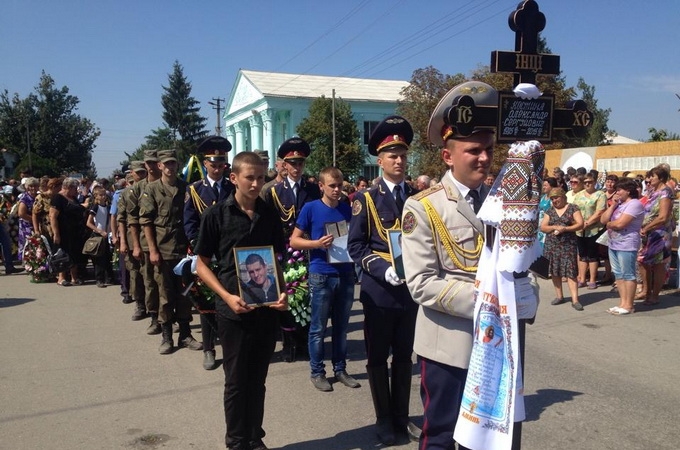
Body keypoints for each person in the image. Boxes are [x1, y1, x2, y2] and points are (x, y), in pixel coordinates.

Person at [399, 81, 501, 450]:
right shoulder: (424, 207)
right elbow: (422, 283)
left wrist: (523, 294)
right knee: (441, 435)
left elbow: (514, 267)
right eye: (473, 150)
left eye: (488, 150)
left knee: (486, 437)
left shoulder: (500, 203)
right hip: (448, 345)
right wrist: (487, 299)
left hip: (494, 344)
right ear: (448, 156)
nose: (484, 158)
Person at [194, 151, 288, 450]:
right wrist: (226, 296)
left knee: (257, 381)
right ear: (233, 177)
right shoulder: (216, 215)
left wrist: (282, 291)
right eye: (250, 177)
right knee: (236, 382)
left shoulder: (269, 213)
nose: (256, 183)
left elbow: (276, 259)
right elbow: (201, 264)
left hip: (265, 310)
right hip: (233, 311)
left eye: (261, 177)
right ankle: (236, 442)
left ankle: (254, 438)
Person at [348, 115, 420, 445]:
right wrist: (381, 268)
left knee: (404, 357)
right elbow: (356, 245)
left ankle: (402, 417)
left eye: (403, 155)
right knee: (378, 358)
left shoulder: (418, 198)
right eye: (393, 155)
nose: (399, 161)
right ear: (380, 160)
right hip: (379, 292)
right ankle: (383, 419)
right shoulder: (366, 199)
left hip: (411, 292)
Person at [290, 166, 359, 392]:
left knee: (341, 327)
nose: (337, 190)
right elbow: (294, 241)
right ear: (321, 186)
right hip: (321, 274)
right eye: (332, 186)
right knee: (318, 328)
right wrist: (317, 244)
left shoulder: (347, 209)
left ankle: (340, 369)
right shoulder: (311, 208)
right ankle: (317, 372)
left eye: (340, 185)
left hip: (346, 274)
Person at [263, 137, 321, 362]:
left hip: (309, 250)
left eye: (300, 163)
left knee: (307, 297)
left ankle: (305, 342)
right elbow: (268, 224)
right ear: (284, 165)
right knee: (287, 297)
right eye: (292, 163)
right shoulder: (273, 192)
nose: (296, 167)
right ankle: (288, 344)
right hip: (284, 252)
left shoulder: (314, 190)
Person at [140, 149, 201, 354]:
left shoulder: (186, 188)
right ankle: (167, 337)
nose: (170, 167)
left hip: (184, 250)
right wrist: (153, 250)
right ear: (159, 166)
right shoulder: (152, 189)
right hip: (163, 249)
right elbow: (146, 222)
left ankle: (185, 335)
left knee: (185, 294)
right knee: (165, 295)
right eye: (166, 164)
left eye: (173, 163)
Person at [184, 135, 234, 370]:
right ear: (205, 164)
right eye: (213, 164)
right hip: (204, 254)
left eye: (221, 163)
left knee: (229, 298)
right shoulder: (194, 190)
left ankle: (230, 345)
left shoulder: (233, 188)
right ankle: (208, 349)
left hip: (229, 253)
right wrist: (199, 245)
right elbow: (189, 222)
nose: (217, 168)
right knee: (206, 302)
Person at [128, 150, 162, 330]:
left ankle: (171, 318)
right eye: (147, 163)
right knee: (149, 281)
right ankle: (154, 317)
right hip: (145, 242)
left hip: (168, 242)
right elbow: (132, 219)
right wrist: (134, 245)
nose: (150, 166)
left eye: (154, 162)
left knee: (170, 283)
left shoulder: (168, 184)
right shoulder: (138, 188)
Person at [600, 178, 645, 315]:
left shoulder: (634, 204)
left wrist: (610, 224)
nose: (616, 192)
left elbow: (620, 224)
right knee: (618, 274)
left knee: (628, 274)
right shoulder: (619, 204)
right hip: (613, 243)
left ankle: (629, 305)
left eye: (619, 190)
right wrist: (613, 206)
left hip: (627, 244)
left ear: (628, 191)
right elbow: (603, 220)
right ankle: (622, 303)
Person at [541, 188, 585, 310]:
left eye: (557, 198)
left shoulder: (573, 208)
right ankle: (559, 296)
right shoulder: (549, 211)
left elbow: (580, 224)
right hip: (552, 245)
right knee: (555, 270)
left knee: (570, 271)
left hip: (568, 244)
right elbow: (543, 227)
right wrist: (555, 226)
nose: (555, 200)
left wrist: (565, 229)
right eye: (552, 199)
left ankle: (575, 300)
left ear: (563, 197)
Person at [638, 166, 674, 306]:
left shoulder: (665, 192)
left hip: (660, 234)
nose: (650, 178)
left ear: (661, 178)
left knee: (658, 264)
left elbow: (663, 216)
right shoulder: (653, 192)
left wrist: (647, 227)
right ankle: (646, 291)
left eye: (653, 176)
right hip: (649, 233)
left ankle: (654, 295)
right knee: (642, 261)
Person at [50, 177, 87, 286]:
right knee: (63, 254)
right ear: (69, 187)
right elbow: (53, 216)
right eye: (75, 188)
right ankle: (61, 278)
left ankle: (74, 278)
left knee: (74, 254)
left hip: (75, 232)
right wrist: (56, 233)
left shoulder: (73, 198)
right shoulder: (58, 198)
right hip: (63, 231)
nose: (77, 190)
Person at [573, 173, 606, 289]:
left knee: (592, 255)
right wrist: (578, 224)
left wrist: (586, 223)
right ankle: (582, 278)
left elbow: (600, 212)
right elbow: (574, 210)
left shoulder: (600, 194)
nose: (587, 184)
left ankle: (592, 279)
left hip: (594, 229)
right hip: (579, 230)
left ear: (595, 182)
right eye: (585, 182)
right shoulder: (578, 195)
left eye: (590, 182)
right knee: (582, 254)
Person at [86, 185, 114, 288]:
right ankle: (99, 279)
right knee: (99, 259)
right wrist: (99, 230)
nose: (103, 197)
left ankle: (109, 277)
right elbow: (89, 223)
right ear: (96, 196)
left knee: (107, 257)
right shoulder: (95, 207)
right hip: (98, 235)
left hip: (106, 235)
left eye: (104, 195)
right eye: (100, 195)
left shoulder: (107, 207)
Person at [17, 177, 39, 260]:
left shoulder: (38, 197)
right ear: (26, 187)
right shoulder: (24, 198)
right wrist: (34, 220)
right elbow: (21, 214)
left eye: (35, 185)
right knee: (28, 244)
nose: (33, 188)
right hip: (27, 225)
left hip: (36, 224)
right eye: (31, 186)